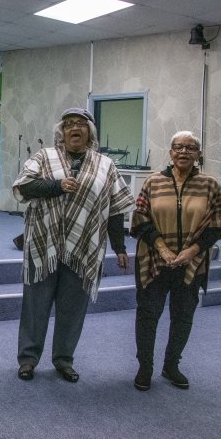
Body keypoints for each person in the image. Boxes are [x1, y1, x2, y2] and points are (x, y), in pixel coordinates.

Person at [12, 107, 135, 383]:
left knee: (72, 309)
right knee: (35, 306)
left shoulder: (106, 165)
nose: (74, 128)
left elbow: (115, 209)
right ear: (62, 132)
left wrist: (120, 247)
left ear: (90, 132)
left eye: (80, 124)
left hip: (84, 248)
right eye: (68, 124)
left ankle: (64, 360)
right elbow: (23, 187)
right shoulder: (44, 157)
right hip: (43, 245)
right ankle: (28, 360)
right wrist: (57, 185)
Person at [131, 131, 221, 391]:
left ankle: (171, 365)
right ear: (171, 152)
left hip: (192, 263)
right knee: (147, 315)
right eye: (178, 147)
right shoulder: (153, 182)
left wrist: (192, 251)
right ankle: (145, 367)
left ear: (198, 154)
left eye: (191, 148)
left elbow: (219, 225)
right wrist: (163, 249)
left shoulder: (210, 185)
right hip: (153, 260)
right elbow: (140, 219)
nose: (184, 152)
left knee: (183, 316)